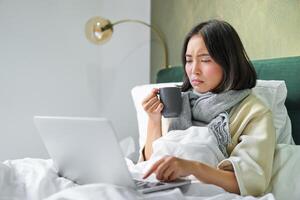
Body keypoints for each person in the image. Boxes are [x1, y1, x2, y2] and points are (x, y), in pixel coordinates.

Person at [140, 19, 276, 196]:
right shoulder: (178, 103)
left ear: (228, 62)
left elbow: (251, 182)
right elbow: (152, 161)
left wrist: (192, 168)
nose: (193, 70)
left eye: (205, 60)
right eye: (189, 60)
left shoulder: (253, 112)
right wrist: (153, 119)